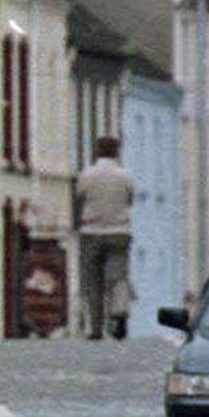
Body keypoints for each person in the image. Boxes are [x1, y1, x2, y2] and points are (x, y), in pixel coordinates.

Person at [74, 136, 134, 340]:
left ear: (96, 151)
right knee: (118, 277)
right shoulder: (125, 176)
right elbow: (130, 199)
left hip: (91, 232)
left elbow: (79, 199)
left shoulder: (86, 175)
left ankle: (96, 327)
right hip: (119, 231)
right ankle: (118, 314)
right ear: (117, 152)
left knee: (92, 280)